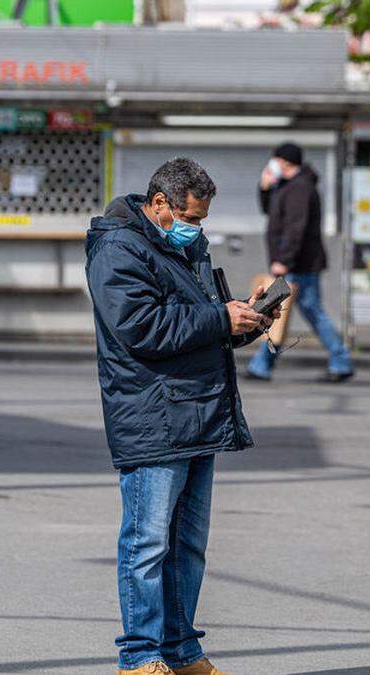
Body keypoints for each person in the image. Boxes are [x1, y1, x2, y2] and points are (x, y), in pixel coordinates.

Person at [86, 157, 274, 675]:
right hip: (153, 415)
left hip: (196, 411)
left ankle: (180, 650)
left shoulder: (183, 244)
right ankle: (139, 656)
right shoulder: (118, 248)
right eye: (191, 215)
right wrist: (219, 317)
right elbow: (141, 327)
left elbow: (194, 320)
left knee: (187, 546)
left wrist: (242, 319)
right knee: (147, 543)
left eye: (205, 217)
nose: (198, 226)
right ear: (160, 203)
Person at [246, 142, 355, 383]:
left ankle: (340, 361)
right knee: (282, 312)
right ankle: (262, 365)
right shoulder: (286, 186)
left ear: (284, 161)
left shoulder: (300, 188)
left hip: (298, 265)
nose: (271, 164)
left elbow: (296, 228)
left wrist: (284, 260)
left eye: (274, 159)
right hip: (293, 263)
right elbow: (270, 212)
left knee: (287, 311)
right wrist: (264, 189)